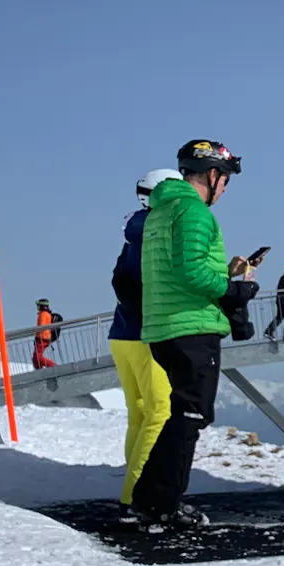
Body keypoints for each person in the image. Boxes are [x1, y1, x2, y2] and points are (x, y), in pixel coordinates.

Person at [131, 140, 256, 528]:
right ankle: (161, 505)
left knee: (181, 415)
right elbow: (192, 272)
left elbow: (177, 268)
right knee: (190, 415)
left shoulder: (162, 210)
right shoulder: (194, 212)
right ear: (212, 175)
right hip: (192, 326)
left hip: (165, 326)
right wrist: (234, 290)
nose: (225, 189)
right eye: (226, 181)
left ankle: (150, 499)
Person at [109, 168, 181, 516]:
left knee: (139, 415)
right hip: (147, 334)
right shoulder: (159, 232)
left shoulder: (134, 229)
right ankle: (137, 497)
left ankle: (131, 491)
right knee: (160, 413)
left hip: (121, 332)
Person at [32, 300, 61, 369]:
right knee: (35, 357)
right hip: (44, 338)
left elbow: (41, 327)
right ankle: (39, 369)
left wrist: (36, 335)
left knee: (37, 357)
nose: (37, 307)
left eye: (38, 306)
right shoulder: (46, 314)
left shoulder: (43, 314)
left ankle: (53, 366)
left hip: (42, 338)